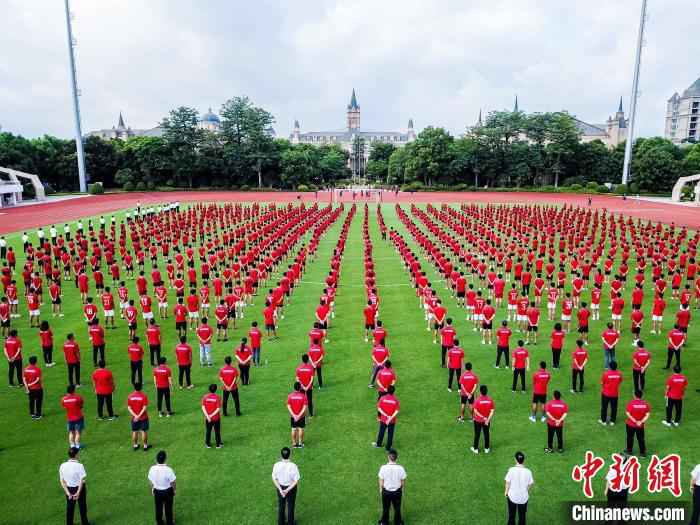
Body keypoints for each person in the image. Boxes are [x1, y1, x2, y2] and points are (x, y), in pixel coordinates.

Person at [59, 447, 89, 525]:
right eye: (78, 453)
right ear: (76, 455)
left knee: (70, 508)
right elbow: (81, 481)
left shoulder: (62, 465)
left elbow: (62, 481)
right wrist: (78, 492)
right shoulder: (79, 466)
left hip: (69, 489)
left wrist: (68, 493)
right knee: (82, 506)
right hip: (79, 489)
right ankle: (85, 523)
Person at [272, 446, 300, 525]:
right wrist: (287, 490)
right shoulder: (293, 466)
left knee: (281, 505)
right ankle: (290, 523)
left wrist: (280, 490)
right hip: (291, 488)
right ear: (290, 455)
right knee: (290, 506)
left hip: (280, 487)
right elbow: (296, 481)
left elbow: (274, 478)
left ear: (281, 455)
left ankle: (281, 522)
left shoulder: (276, 465)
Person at [378, 448, 407, 525]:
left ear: (388, 457)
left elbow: (381, 480)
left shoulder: (383, 467)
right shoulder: (401, 468)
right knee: (397, 508)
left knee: (385, 508)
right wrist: (402, 489)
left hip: (386, 492)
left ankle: (384, 522)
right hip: (397, 492)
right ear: (396, 457)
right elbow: (403, 481)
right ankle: (398, 522)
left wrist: (381, 489)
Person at [148, 450, 176, 525]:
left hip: (157, 491)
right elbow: (173, 482)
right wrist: (174, 490)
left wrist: (152, 489)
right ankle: (169, 522)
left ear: (156, 459)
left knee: (158, 508)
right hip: (168, 491)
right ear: (165, 459)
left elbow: (150, 480)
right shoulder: (169, 470)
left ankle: (159, 522)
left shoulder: (152, 468)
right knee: (168, 508)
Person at [505, 451, 533, 525]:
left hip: (512, 497)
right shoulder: (528, 471)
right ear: (523, 460)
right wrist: (525, 490)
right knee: (522, 516)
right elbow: (530, 484)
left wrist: (506, 492)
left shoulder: (511, 470)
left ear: (515, 459)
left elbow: (507, 482)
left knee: (511, 515)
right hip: (524, 498)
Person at [625, 389, 650, 457]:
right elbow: (647, 414)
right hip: (640, 426)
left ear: (634, 395)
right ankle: (642, 453)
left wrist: (635, 421)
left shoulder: (631, 403)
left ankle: (629, 451)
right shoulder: (645, 404)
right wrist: (641, 422)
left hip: (631, 424)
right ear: (642, 395)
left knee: (630, 437)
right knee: (641, 438)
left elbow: (628, 414)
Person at [374, 385, 400, 451]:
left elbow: (379, 409)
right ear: (393, 392)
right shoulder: (395, 400)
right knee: (390, 434)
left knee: (381, 431)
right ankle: (388, 448)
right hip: (392, 420)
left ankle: (378, 444)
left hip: (383, 419)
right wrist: (390, 418)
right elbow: (397, 411)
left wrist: (386, 415)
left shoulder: (382, 398)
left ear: (387, 390)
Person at [472, 384, 495, 454]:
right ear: (486, 391)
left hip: (478, 420)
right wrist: (487, 419)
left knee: (477, 434)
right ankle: (486, 448)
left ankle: (475, 448)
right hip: (486, 421)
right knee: (486, 433)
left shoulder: (477, 400)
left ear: (480, 391)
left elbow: (475, 411)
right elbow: (492, 411)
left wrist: (482, 417)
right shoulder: (490, 400)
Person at [127, 382, 150, 451]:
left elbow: (129, 408)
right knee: (143, 431)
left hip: (134, 418)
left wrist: (135, 416)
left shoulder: (130, 396)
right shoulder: (143, 396)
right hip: (143, 417)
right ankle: (145, 446)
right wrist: (139, 416)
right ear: (141, 387)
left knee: (135, 431)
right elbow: (144, 407)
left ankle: (135, 445)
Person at [62, 384, 85, 449]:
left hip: (70, 418)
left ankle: (72, 446)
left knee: (71, 432)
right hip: (78, 417)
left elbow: (64, 406)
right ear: (74, 390)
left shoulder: (64, 399)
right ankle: (77, 446)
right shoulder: (78, 397)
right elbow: (81, 405)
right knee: (78, 432)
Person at [600, 361, 622, 426]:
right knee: (614, 407)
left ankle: (603, 421)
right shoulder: (619, 374)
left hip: (606, 393)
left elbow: (602, 383)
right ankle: (612, 421)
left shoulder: (606, 374)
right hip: (615, 394)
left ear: (609, 367)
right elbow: (620, 381)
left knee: (604, 407)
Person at [287, 382, 308, 448]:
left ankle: (294, 444)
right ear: (300, 388)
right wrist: (299, 416)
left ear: (294, 388)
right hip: (301, 417)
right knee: (301, 429)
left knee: (293, 429)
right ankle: (300, 443)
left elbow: (288, 406)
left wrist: (294, 415)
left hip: (293, 417)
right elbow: (304, 407)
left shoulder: (290, 396)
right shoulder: (303, 396)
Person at [202, 383, 223, 448]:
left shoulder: (205, 397)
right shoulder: (217, 397)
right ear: (216, 390)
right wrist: (211, 416)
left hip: (208, 418)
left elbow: (203, 407)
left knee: (208, 431)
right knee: (217, 431)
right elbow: (218, 409)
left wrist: (208, 416)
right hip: (216, 418)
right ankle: (218, 445)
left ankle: (207, 444)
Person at [23, 355, 43, 420]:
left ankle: (32, 413)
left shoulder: (26, 369)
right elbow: (37, 379)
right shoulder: (37, 369)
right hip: (37, 388)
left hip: (30, 389)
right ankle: (38, 414)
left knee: (31, 401)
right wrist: (31, 384)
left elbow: (24, 379)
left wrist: (27, 387)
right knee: (38, 401)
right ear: (36, 361)